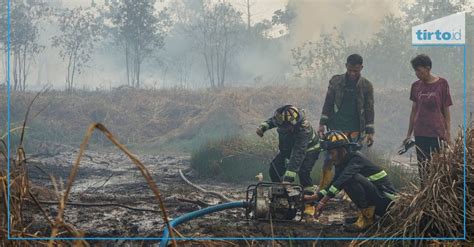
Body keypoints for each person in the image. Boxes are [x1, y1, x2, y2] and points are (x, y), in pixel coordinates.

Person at [305, 131, 396, 232]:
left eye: (332, 153)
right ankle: (365, 215)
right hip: (376, 198)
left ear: (341, 150)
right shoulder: (342, 162)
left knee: (350, 179)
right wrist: (316, 196)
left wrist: (323, 202)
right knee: (343, 180)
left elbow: (343, 179)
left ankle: (367, 218)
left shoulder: (356, 158)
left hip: (386, 201)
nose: (330, 157)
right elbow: (335, 183)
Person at [317, 54, 375, 191]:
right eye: (350, 70)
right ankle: (323, 189)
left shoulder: (367, 86)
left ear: (361, 68)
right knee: (329, 158)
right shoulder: (335, 81)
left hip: (355, 129)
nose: (352, 73)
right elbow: (328, 103)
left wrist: (370, 131)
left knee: (351, 160)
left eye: (356, 71)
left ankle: (349, 191)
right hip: (335, 127)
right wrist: (322, 124)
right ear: (346, 66)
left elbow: (369, 108)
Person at [256, 105, 321, 217]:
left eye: (287, 127)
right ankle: (280, 197)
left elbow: (297, 155)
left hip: (309, 150)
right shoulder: (282, 119)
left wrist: (288, 179)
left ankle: (310, 206)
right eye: (282, 127)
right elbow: (272, 121)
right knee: (274, 168)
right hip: (288, 150)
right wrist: (263, 127)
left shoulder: (303, 129)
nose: (285, 129)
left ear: (295, 123)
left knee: (303, 173)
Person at [404, 54, 452, 186]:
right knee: (423, 168)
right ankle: (424, 194)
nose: (417, 74)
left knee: (437, 167)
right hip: (420, 132)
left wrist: (448, 133)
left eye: (419, 70)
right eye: (415, 71)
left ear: (428, 68)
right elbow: (414, 111)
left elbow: (446, 110)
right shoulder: (415, 86)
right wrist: (409, 134)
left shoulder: (442, 84)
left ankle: (437, 195)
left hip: (437, 132)